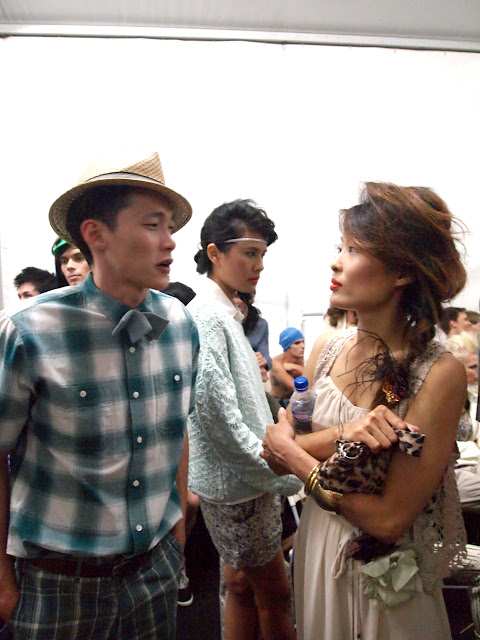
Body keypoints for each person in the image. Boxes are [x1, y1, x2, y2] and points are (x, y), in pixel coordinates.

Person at [0, 150, 198, 640]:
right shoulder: (30, 331)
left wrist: (176, 538)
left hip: (153, 573)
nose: (170, 240)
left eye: (170, 225)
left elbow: (177, 433)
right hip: (56, 585)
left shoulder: (179, 323)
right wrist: (2, 579)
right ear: (96, 234)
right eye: (152, 224)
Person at [262, 181, 468, 640]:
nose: (336, 261)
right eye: (340, 247)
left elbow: (389, 519)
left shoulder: (439, 373)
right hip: (318, 543)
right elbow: (274, 452)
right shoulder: (325, 350)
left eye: (354, 250)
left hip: (385, 573)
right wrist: (343, 433)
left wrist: (293, 454)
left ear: (402, 272)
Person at [187, 199, 303, 640]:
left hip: (238, 478)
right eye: (249, 253)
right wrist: (276, 470)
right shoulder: (208, 315)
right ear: (214, 253)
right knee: (275, 593)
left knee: (239, 586)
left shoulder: (223, 312)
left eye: (262, 254)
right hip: (241, 481)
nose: (259, 265)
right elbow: (218, 417)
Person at [445, 331, 480, 512]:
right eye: (473, 367)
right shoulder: (438, 400)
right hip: (450, 471)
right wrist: (472, 448)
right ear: (456, 368)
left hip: (474, 467)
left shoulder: (473, 397)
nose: (477, 372)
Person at [233, 291, 271, 382]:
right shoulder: (222, 320)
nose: (235, 300)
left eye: (239, 296)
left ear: (250, 297)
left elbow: (265, 355)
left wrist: (263, 361)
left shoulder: (261, 324)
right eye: (232, 296)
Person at [270, 327, 305, 407]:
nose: (303, 346)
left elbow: (313, 377)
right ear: (287, 347)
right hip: (279, 402)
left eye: (303, 342)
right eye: (297, 343)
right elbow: (296, 388)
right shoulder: (276, 363)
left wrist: (295, 367)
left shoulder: (300, 359)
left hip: (295, 399)